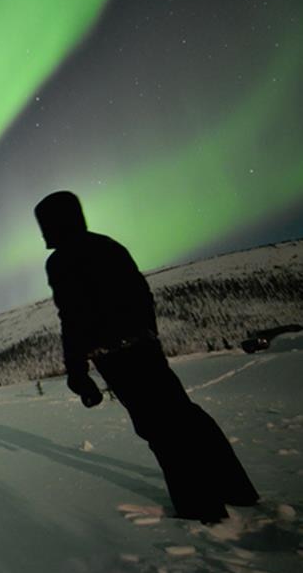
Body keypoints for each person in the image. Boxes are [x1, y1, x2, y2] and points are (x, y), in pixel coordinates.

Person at [34, 190, 258, 523]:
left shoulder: (61, 260)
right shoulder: (109, 245)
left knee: (158, 427)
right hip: (144, 347)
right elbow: (141, 293)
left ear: (55, 222)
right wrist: (146, 335)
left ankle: (199, 506)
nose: (42, 232)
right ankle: (235, 488)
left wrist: (77, 370)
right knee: (184, 415)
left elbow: (73, 316)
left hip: (115, 356)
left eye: (44, 224)